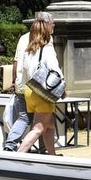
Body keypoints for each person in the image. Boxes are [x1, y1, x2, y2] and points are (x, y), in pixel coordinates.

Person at [13, 12, 60, 155]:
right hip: (43, 93)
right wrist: (62, 86)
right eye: (52, 23)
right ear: (47, 27)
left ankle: (52, 156)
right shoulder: (47, 47)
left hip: (30, 91)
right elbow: (54, 68)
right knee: (38, 128)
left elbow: (25, 69)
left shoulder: (30, 47)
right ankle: (18, 155)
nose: (54, 25)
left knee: (50, 125)